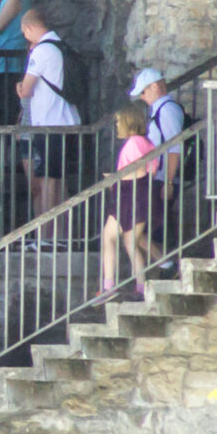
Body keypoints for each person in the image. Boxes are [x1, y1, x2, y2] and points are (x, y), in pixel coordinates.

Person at [16, 11, 80, 215]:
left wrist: (19, 87)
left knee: (48, 180)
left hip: (50, 124)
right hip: (67, 121)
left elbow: (26, 90)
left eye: (24, 32)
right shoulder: (61, 46)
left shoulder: (41, 51)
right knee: (59, 180)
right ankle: (60, 236)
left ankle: (47, 237)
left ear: (30, 28)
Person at [99, 104, 155, 296]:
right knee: (125, 241)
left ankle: (113, 286)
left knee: (119, 239)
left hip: (130, 194)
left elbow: (141, 171)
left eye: (119, 123)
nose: (117, 126)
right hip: (133, 195)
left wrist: (115, 178)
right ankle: (135, 286)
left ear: (128, 122)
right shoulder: (145, 142)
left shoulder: (135, 143)